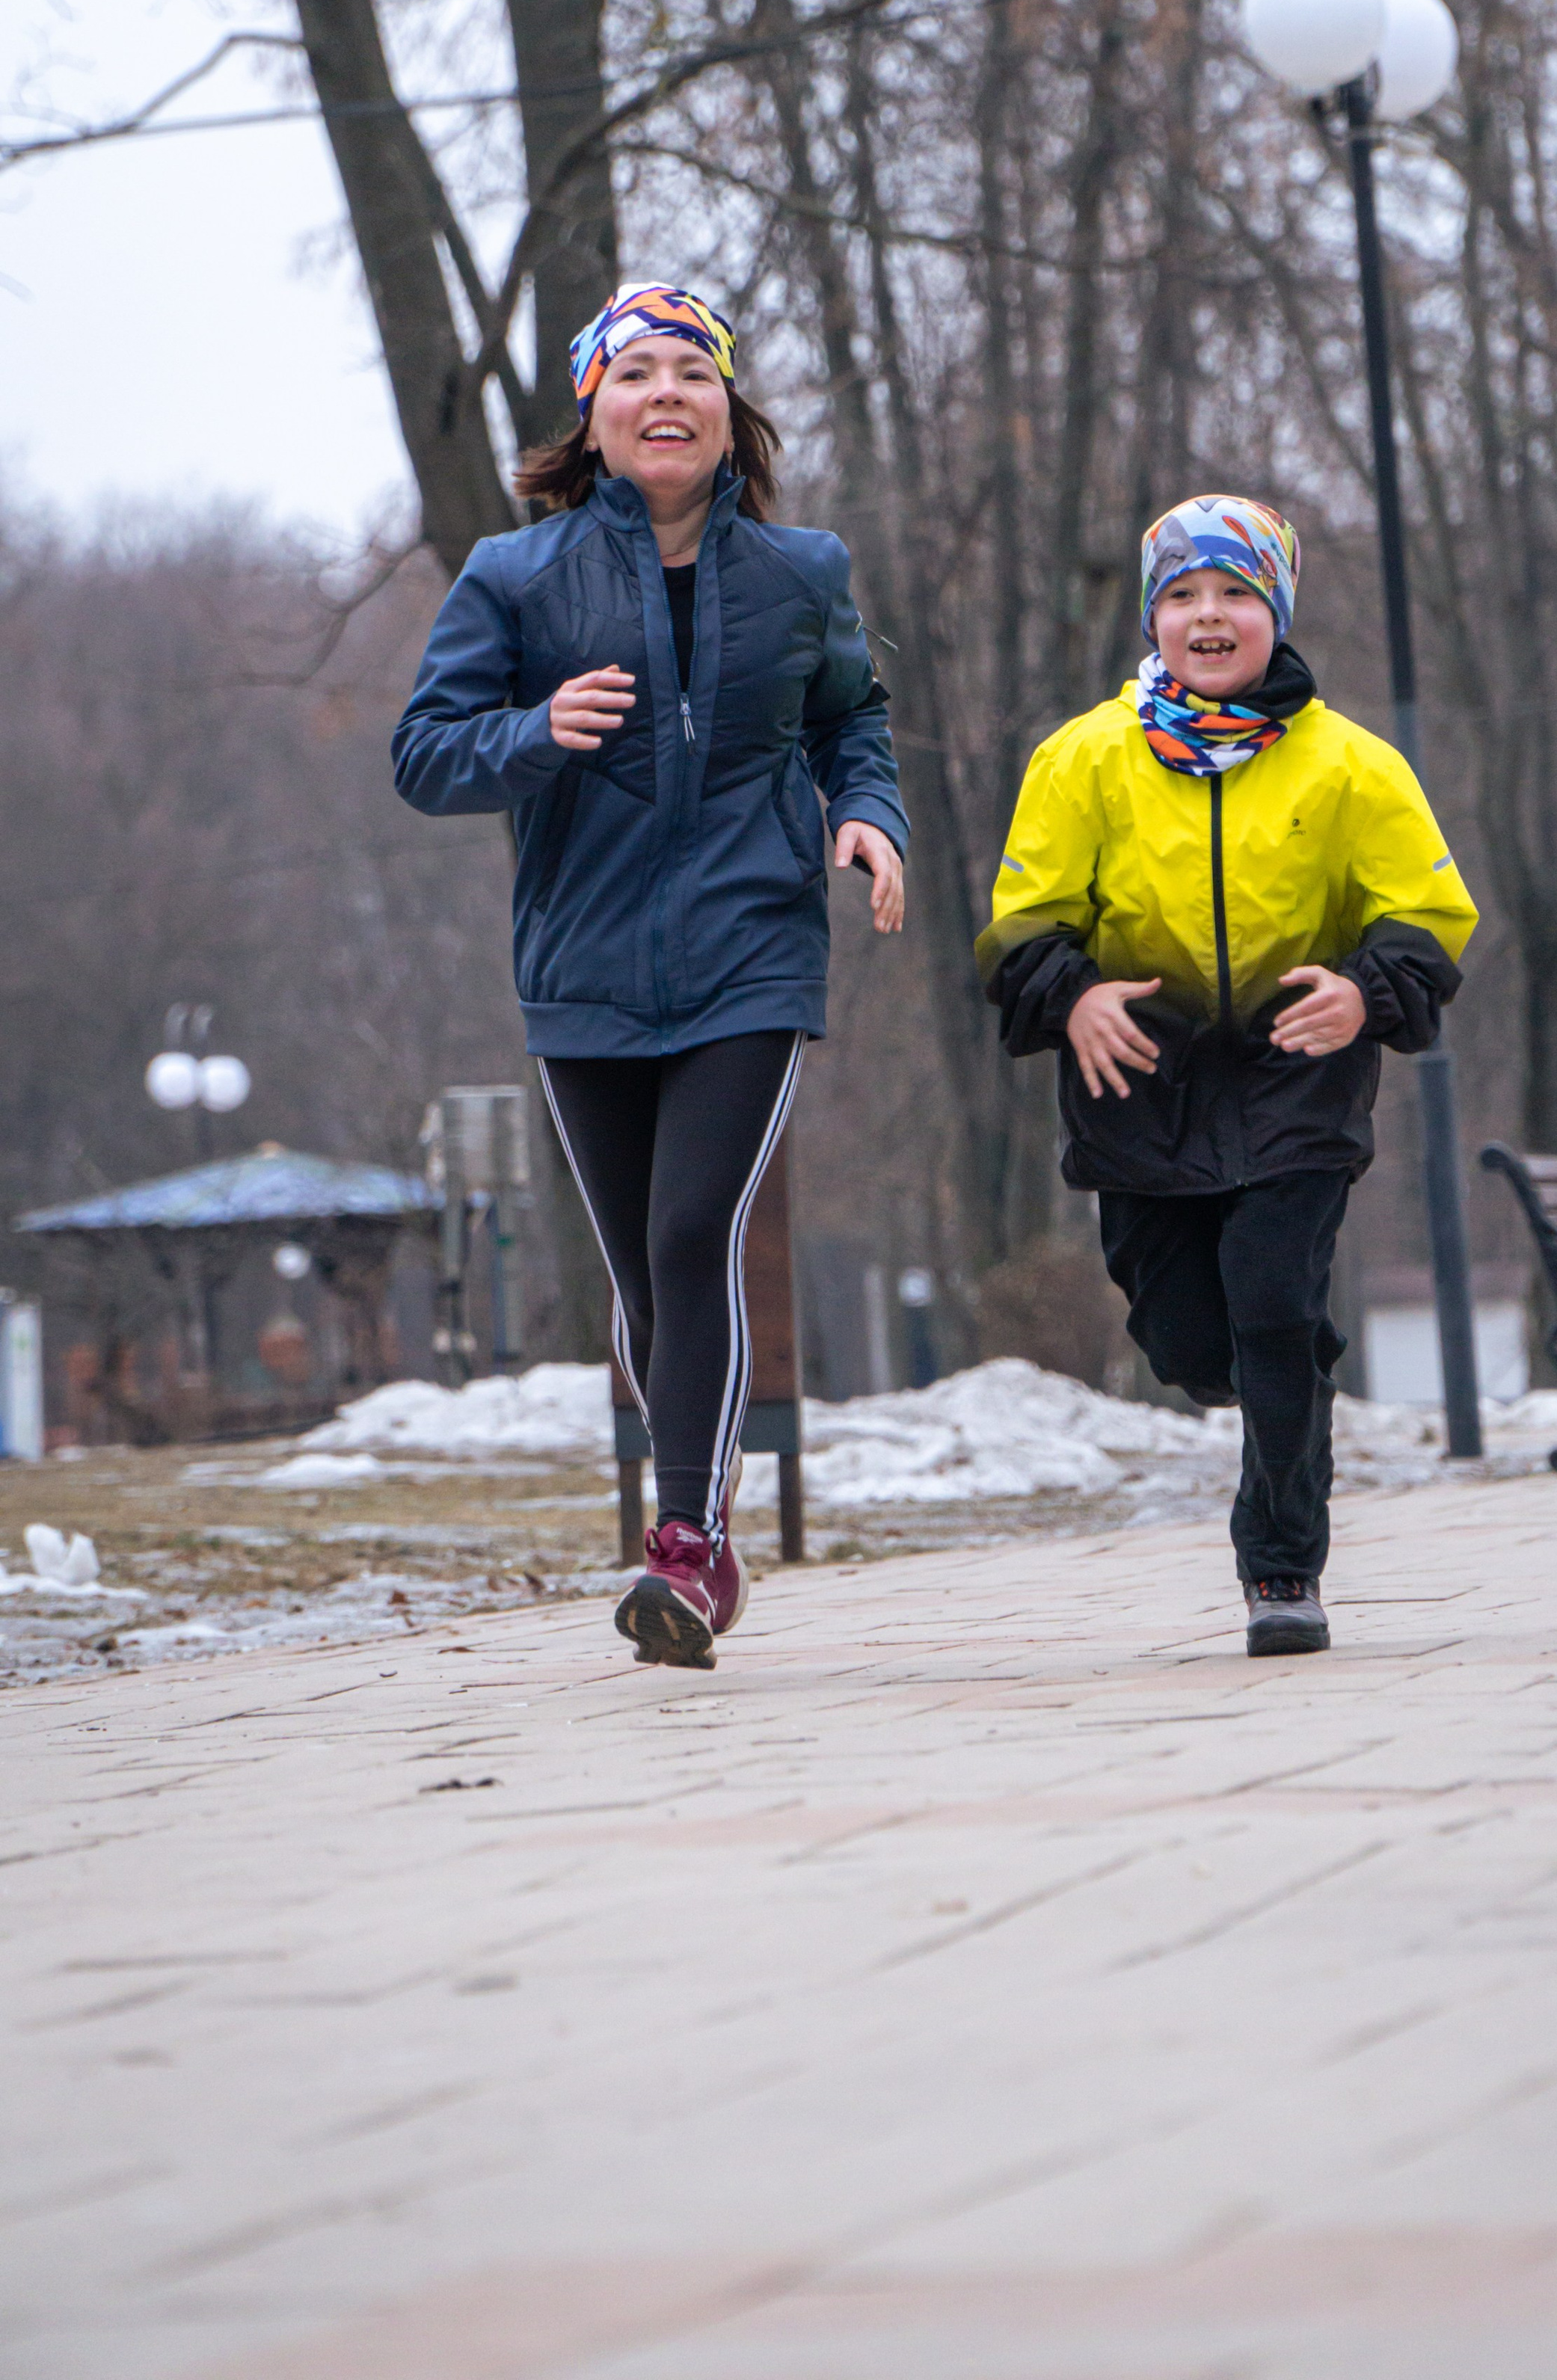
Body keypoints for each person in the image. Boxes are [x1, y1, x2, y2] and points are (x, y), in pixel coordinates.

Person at [393, 282, 908, 1670]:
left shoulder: (803, 571)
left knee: (693, 1239)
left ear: (728, 414)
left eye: (694, 370)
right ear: (595, 412)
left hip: (753, 952)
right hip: (584, 967)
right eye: (637, 372)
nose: (666, 391)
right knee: (640, 1277)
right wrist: (534, 732)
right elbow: (424, 756)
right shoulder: (515, 576)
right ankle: (709, 1523)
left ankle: (682, 1545)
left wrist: (869, 816)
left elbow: (851, 719)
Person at [976, 496, 1475, 1656]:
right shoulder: (1083, 758)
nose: (1210, 616)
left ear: (1276, 613)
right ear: (1154, 620)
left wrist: (1365, 991)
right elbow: (1019, 924)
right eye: (1184, 596)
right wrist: (1074, 995)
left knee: (1272, 1302)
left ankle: (1282, 1569)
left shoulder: (1353, 765)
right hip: (1142, 1084)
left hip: (1298, 1077)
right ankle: (1285, 1369)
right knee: (1196, 1345)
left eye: (1237, 593)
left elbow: (1428, 916)